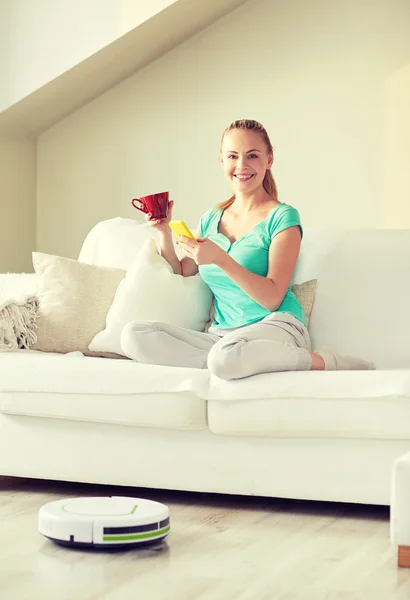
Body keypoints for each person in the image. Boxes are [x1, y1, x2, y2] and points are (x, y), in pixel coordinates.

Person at [121, 119, 375, 379]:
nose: (241, 166)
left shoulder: (282, 217)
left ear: (269, 159)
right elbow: (183, 270)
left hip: (276, 325)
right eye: (233, 156)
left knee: (224, 356)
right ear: (222, 161)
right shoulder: (211, 218)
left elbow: (272, 298)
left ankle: (322, 361)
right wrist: (163, 231)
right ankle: (228, 364)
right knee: (133, 335)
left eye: (252, 156)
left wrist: (221, 259)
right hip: (224, 337)